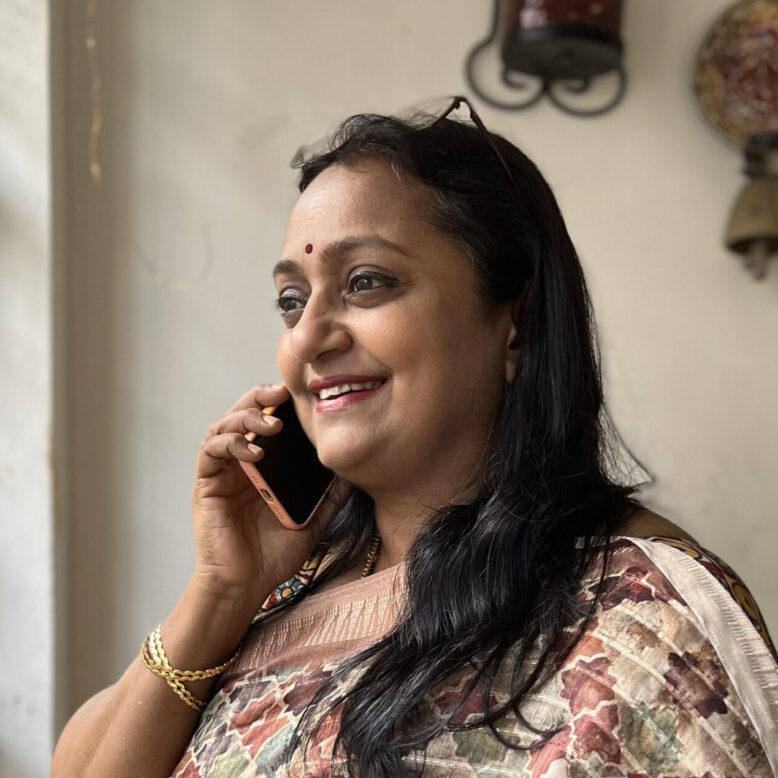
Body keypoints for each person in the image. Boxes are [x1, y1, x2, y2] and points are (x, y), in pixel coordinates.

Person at [52, 96, 778, 778]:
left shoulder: (637, 610)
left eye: (366, 282)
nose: (307, 338)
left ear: (515, 322)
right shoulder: (275, 595)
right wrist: (219, 594)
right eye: (290, 300)